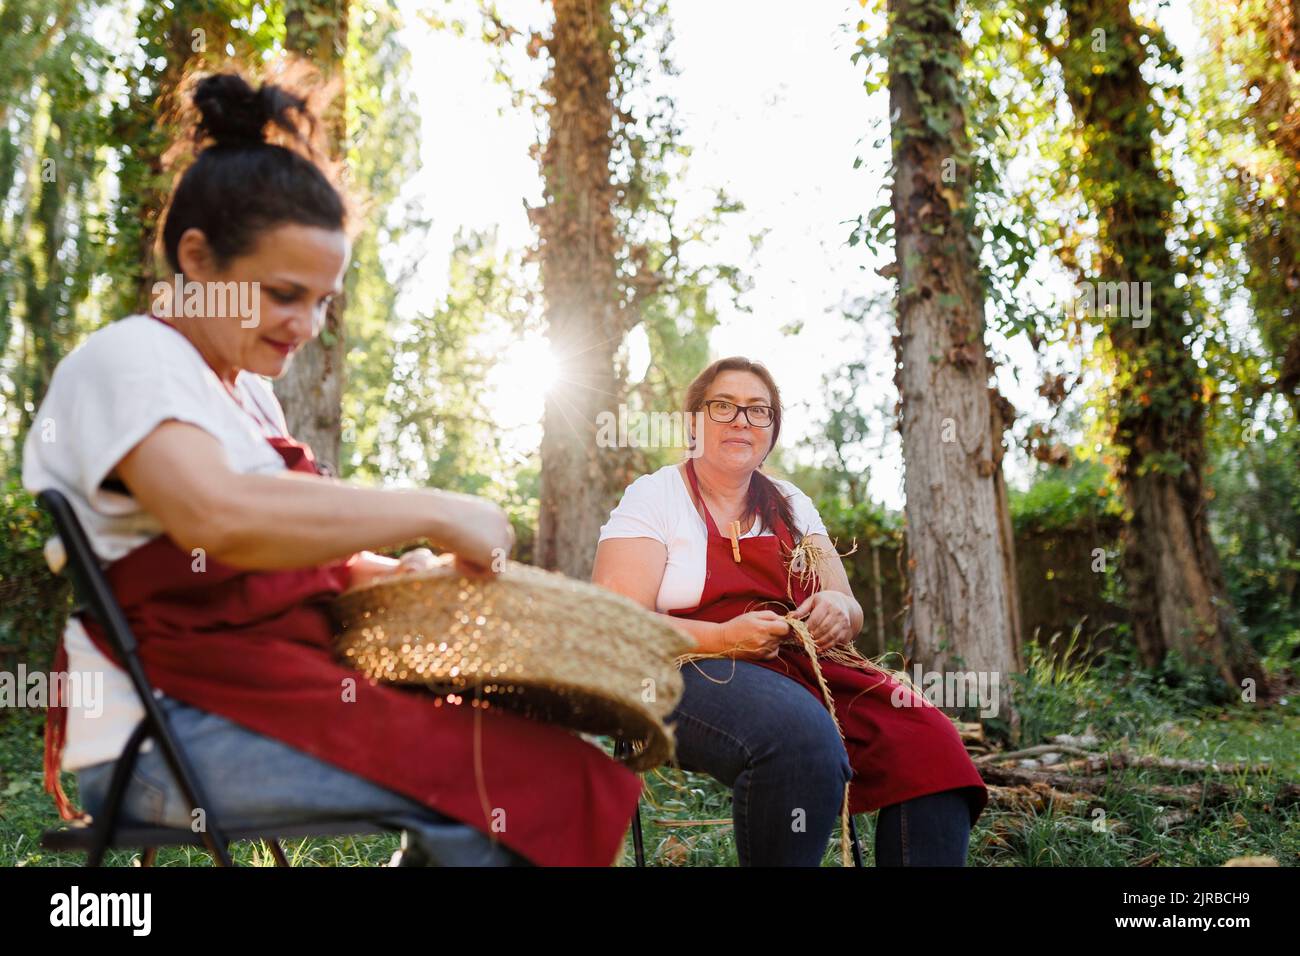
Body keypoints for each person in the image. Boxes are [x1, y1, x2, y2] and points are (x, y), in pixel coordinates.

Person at [22, 70, 641, 867]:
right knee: (530, 785)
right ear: (197, 258)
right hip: (161, 731)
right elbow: (219, 520)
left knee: (545, 753)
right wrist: (434, 510)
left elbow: (299, 562)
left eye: (322, 302)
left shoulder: (248, 397)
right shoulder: (129, 359)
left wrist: (400, 569)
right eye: (286, 294)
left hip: (268, 690)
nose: (307, 324)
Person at [592, 357, 989, 866]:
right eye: (723, 406)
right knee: (798, 738)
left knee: (929, 742)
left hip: (798, 666)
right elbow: (616, 625)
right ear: (692, 423)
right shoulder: (654, 496)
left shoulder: (792, 503)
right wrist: (724, 639)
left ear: (772, 430)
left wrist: (836, 610)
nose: (742, 420)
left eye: (759, 411)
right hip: (678, 670)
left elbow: (849, 606)